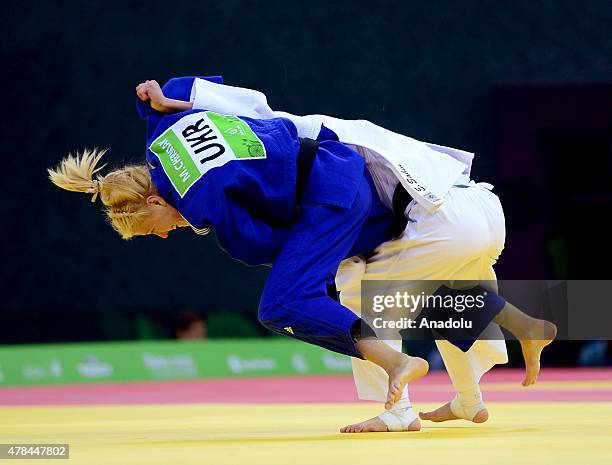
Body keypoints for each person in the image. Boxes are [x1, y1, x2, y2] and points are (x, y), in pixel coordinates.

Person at [48, 75, 556, 433]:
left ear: (154, 200)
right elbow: (197, 95)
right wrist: (159, 97)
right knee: (428, 288)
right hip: (476, 200)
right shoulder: (171, 132)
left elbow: (263, 248)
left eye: (152, 228)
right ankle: (473, 394)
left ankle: (402, 403)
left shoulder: (207, 198)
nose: (162, 237)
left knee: (356, 291)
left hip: (410, 208)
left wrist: (292, 258)